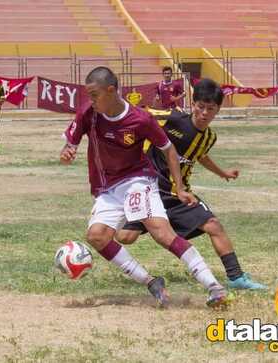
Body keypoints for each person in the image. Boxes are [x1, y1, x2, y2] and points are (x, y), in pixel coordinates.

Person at [60, 67, 229, 308]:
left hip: (137, 180)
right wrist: (67, 152)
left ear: (111, 91)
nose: (91, 100)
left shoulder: (140, 119)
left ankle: (214, 287)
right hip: (107, 187)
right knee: (97, 236)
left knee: (161, 232)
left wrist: (179, 189)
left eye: (95, 94)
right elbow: (70, 144)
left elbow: (169, 150)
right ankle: (151, 282)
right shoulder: (89, 112)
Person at [116, 79, 266, 290]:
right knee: (124, 237)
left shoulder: (209, 137)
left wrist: (223, 173)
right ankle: (151, 225)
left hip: (178, 195)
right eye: (200, 107)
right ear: (193, 104)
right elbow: (143, 113)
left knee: (213, 225)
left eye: (210, 109)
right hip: (150, 190)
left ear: (217, 110)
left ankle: (236, 277)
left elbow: (201, 156)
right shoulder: (173, 119)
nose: (204, 113)